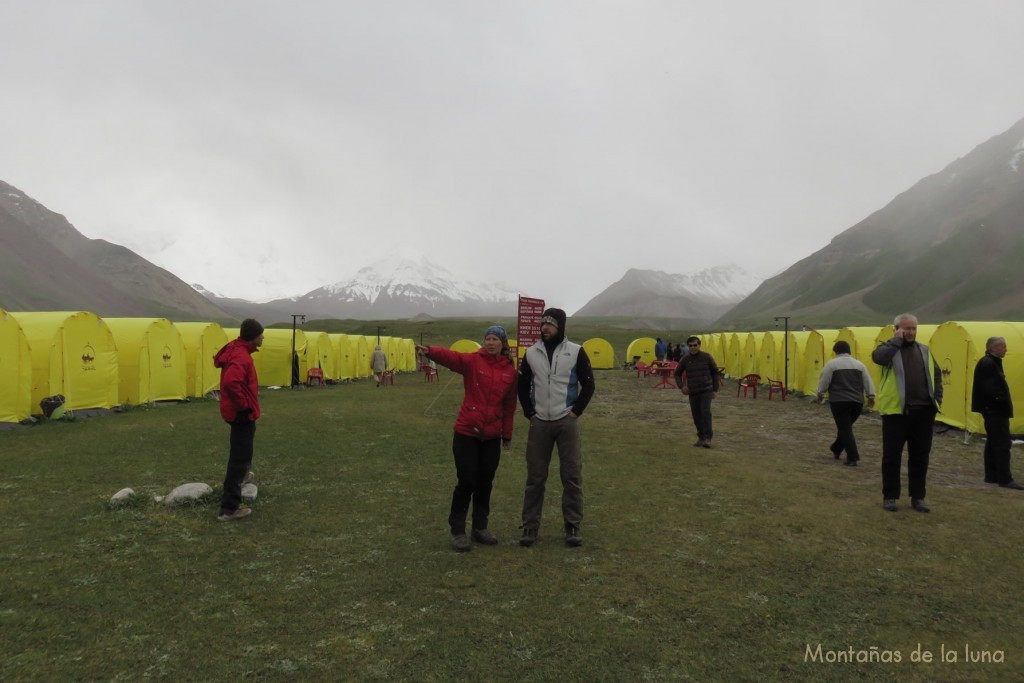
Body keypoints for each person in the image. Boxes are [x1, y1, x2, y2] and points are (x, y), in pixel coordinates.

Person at [416, 326, 519, 552]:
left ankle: (480, 528)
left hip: (491, 436)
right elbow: (452, 358)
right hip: (466, 433)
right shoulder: (473, 361)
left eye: (495, 339)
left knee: (485, 482)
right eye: (487, 339)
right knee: (467, 480)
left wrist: (507, 435)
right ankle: (458, 530)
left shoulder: (510, 373)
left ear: (503, 344)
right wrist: (430, 351)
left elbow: (510, 406)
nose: (490, 343)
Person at [517, 308, 596, 547]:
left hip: (566, 421)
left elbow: (588, 385)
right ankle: (530, 526)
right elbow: (522, 385)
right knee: (535, 476)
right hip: (540, 421)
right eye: (543, 324)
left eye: (550, 324)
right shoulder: (531, 353)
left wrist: (575, 412)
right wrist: (530, 413)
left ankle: (572, 525)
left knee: (571, 475)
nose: (545, 328)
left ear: (560, 326)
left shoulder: (576, 351)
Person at [872, 313, 943, 513]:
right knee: (892, 456)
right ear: (897, 329)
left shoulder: (924, 350)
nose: (911, 332)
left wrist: (937, 400)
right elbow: (878, 358)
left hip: (924, 411)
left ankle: (918, 497)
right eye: (906, 329)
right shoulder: (887, 350)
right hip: (896, 412)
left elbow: (936, 376)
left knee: (920, 456)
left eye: (913, 329)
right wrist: (896, 341)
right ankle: (890, 496)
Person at [214, 318, 264, 522]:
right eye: (261, 334)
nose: (263, 337)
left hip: (239, 411)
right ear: (253, 336)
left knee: (243, 452)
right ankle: (229, 508)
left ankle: (242, 478)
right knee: (239, 457)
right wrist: (243, 407)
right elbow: (231, 382)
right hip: (240, 413)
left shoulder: (238, 350)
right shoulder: (242, 356)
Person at [971, 336, 1023, 490]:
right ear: (992, 348)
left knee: (993, 441)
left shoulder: (990, 362)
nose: (1005, 349)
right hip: (994, 411)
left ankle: (991, 475)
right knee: (1002, 443)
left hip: (992, 410)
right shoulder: (989, 363)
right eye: (1002, 347)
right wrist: (1001, 400)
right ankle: (1005, 478)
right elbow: (990, 388)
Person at [816, 340, 875, 466]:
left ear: (835, 351)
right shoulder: (860, 365)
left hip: (839, 401)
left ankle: (852, 457)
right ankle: (836, 448)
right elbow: (868, 381)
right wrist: (871, 396)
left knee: (844, 428)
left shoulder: (832, 364)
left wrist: (820, 394)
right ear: (849, 351)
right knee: (846, 427)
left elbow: (824, 381)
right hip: (857, 402)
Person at [673, 336, 720, 448]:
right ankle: (701, 437)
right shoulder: (685, 359)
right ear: (688, 346)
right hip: (693, 391)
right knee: (696, 415)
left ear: (699, 345)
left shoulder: (707, 357)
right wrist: (681, 386)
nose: (693, 347)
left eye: (695, 345)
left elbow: (715, 373)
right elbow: (677, 373)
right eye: (690, 346)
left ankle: (708, 438)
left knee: (705, 413)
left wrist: (715, 389)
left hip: (706, 391)